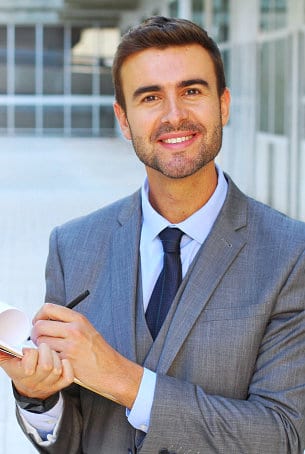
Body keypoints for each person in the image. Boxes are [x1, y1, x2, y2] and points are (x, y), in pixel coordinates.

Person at [1, 15, 305, 454]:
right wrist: (39, 396)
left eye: (192, 91)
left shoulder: (291, 254)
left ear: (224, 104)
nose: (174, 115)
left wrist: (122, 379)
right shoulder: (72, 246)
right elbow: (70, 441)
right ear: (124, 121)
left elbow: (284, 437)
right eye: (150, 97)